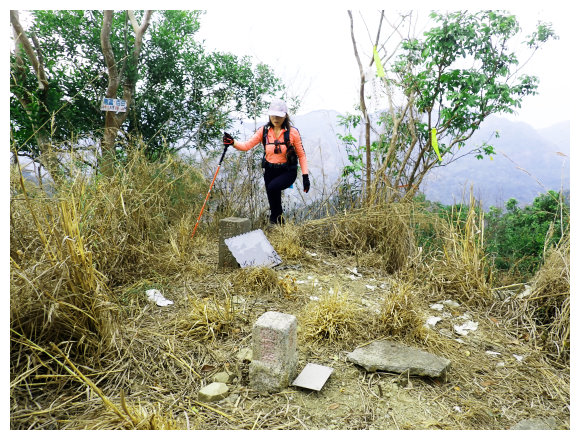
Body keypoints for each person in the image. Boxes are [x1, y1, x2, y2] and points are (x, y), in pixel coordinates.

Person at [223, 99, 310, 225]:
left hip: (287, 171)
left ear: (285, 116)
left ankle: (275, 222)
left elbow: (301, 155)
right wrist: (233, 142)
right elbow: (246, 146)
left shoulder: (293, 132)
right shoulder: (264, 131)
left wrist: (305, 176)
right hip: (270, 171)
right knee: (274, 204)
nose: (275, 118)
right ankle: (279, 226)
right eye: (273, 115)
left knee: (273, 187)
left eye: (279, 115)